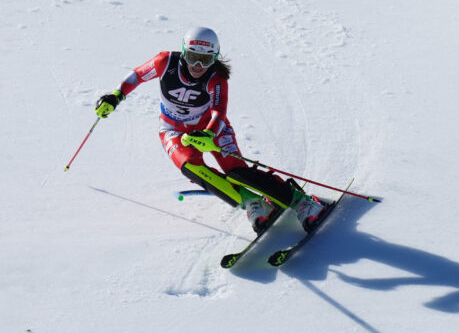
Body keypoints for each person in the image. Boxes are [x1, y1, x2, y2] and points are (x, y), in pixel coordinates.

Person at [94, 26, 325, 233]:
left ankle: (301, 202)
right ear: (184, 53)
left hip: (209, 128)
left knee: (236, 171)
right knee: (191, 169)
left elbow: (218, 112)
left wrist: (209, 133)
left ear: (214, 58)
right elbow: (137, 75)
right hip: (173, 130)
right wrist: (116, 96)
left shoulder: (217, 78)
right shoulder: (165, 62)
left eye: (205, 60)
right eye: (193, 58)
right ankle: (253, 202)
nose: (198, 66)